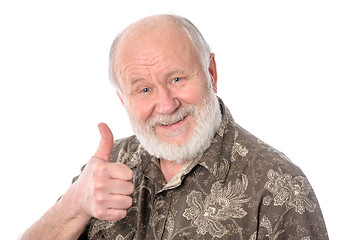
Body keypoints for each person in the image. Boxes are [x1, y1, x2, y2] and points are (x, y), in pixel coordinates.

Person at [21, 14, 328, 239]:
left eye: (177, 79)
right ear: (123, 99)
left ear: (211, 72)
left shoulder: (278, 184)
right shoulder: (106, 168)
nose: (166, 105)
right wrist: (74, 205)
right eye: (143, 90)